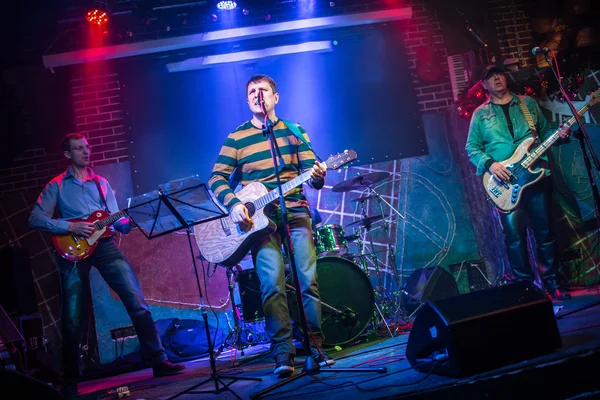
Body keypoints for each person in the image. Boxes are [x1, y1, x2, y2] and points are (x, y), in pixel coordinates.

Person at [29, 133, 185, 397]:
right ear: (68, 155)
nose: (86, 152)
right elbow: (35, 218)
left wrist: (130, 220)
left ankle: (158, 361)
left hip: (105, 246)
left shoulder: (101, 183)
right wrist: (70, 226)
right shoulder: (57, 186)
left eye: (87, 147)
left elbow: (116, 221)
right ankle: (70, 380)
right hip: (73, 248)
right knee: (72, 316)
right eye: (79, 149)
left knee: (137, 302)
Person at [208, 74, 333, 376]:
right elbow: (216, 179)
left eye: (262, 90)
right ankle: (283, 356)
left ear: (275, 97)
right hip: (259, 224)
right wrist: (236, 205)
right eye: (251, 91)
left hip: (295, 213)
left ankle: (316, 347)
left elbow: (311, 174)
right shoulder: (236, 138)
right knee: (271, 285)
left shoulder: (294, 131)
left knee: (307, 280)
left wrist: (317, 176)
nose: (257, 95)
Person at [465, 64, 572, 300]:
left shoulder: (527, 104)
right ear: (483, 85)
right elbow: (471, 148)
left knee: (545, 233)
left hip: (535, 178)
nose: (496, 78)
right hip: (505, 185)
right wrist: (490, 164)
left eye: (499, 74)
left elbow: (544, 134)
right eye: (490, 77)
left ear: (505, 77)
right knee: (514, 238)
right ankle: (525, 289)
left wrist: (560, 136)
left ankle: (552, 283)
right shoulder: (481, 114)